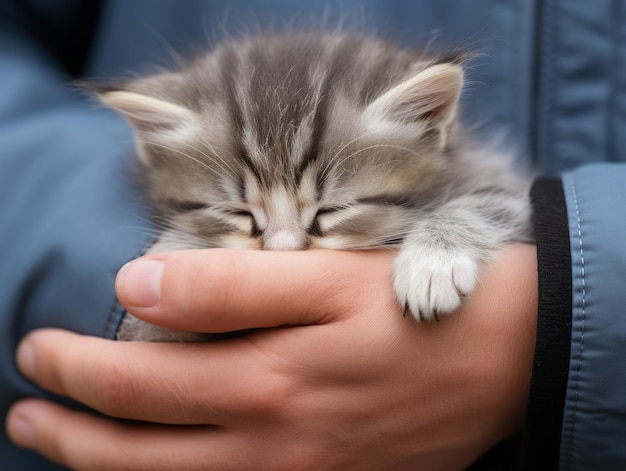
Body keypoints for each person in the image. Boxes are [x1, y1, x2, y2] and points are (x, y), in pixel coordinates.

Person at [1, 0, 625, 469]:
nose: (283, 248)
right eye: (242, 218)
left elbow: (508, 203)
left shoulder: (440, 165)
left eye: (326, 216)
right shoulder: (176, 173)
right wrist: (139, 293)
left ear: (429, 121)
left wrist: (559, 331)